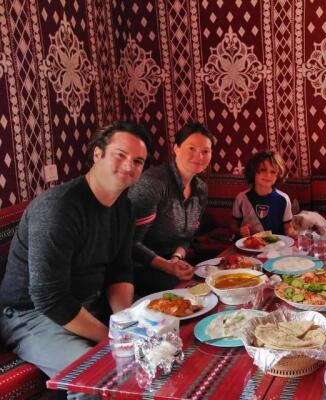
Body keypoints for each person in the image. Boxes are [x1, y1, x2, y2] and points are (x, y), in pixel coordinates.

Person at [0, 121, 151, 379]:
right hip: (31, 314)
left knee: (159, 343)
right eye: (120, 155)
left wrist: (124, 321)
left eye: (138, 161)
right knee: (96, 373)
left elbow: (120, 269)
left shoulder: (124, 208)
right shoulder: (57, 209)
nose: (129, 166)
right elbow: (49, 297)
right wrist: (111, 337)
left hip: (88, 302)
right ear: (97, 154)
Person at [128, 122, 213, 295]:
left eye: (206, 151)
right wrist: (168, 266)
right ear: (176, 149)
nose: (199, 156)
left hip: (175, 264)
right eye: (192, 148)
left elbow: (188, 237)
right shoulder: (153, 183)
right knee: (196, 292)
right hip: (139, 268)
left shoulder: (201, 189)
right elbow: (130, 243)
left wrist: (176, 258)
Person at [232, 150, 297, 238]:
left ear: (278, 175)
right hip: (251, 245)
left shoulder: (284, 199)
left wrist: (292, 233)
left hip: (276, 247)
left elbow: (288, 227)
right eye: (263, 170)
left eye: (273, 172)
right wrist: (240, 231)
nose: (268, 175)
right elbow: (233, 225)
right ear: (253, 171)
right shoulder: (242, 198)